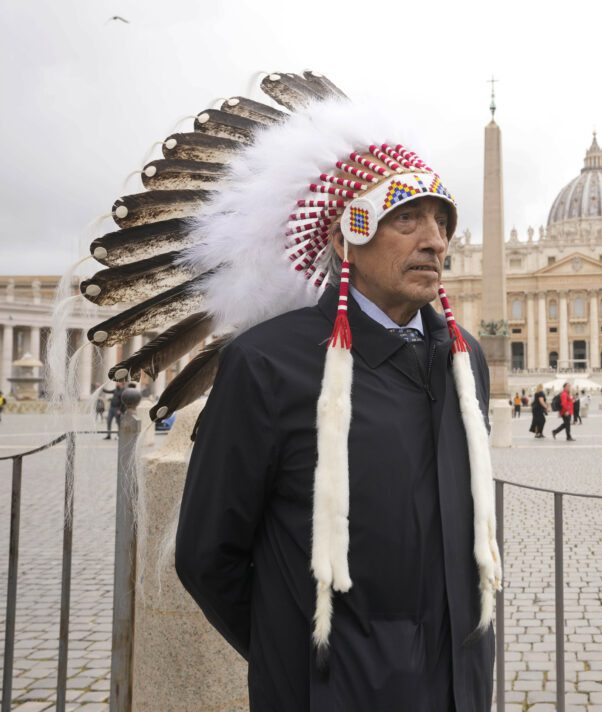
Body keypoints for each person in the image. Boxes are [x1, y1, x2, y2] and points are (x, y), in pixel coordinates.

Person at [163, 85, 498, 711]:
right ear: (346, 239)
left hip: (457, 688)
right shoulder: (264, 365)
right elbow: (209, 556)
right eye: (408, 218)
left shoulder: (465, 359)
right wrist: (301, 657)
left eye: (442, 222)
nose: (435, 241)